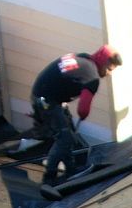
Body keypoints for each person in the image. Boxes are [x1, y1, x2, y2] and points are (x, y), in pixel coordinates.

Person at [29, 46, 120, 185]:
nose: (109, 74)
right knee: (64, 138)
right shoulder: (92, 76)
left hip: (44, 94)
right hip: (46, 101)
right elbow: (83, 109)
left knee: (69, 134)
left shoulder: (84, 59)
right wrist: (83, 115)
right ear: (102, 62)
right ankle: (49, 178)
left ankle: (71, 170)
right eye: (109, 69)